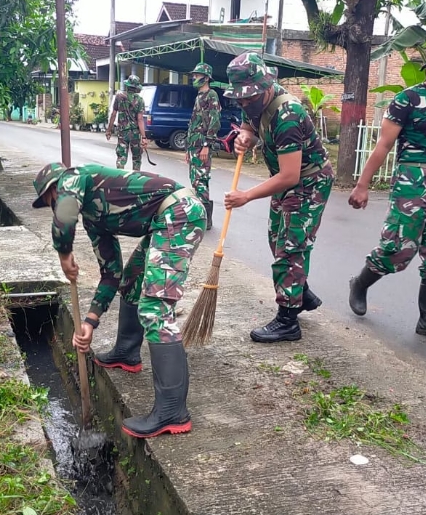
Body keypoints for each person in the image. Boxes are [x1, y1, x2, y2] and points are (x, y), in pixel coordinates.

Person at [31, 162, 206, 438]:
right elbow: (110, 273)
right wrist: (90, 321)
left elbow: (64, 217)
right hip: (162, 223)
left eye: (50, 201)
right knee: (130, 280)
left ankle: (173, 412)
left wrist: (64, 254)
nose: (54, 207)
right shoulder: (93, 220)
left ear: (56, 188)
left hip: (180, 213)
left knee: (155, 309)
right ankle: (126, 352)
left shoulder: (74, 177)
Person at [346, 39, 426, 343]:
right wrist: (362, 185)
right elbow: (384, 145)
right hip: (413, 179)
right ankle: (360, 283)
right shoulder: (408, 100)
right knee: (398, 247)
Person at [222, 52, 335, 344]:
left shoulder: (289, 115)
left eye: (249, 98)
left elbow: (289, 176)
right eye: (240, 99)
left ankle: (288, 320)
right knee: (276, 239)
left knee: (290, 246)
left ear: (266, 86)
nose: (245, 103)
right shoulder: (254, 98)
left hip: (308, 180)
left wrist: (246, 195)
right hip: (288, 179)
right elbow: (250, 122)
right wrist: (245, 135)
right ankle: (301, 292)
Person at [185, 62, 222, 230]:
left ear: (206, 78)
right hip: (193, 145)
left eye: (197, 75)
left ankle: (205, 219)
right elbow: (193, 123)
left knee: (201, 181)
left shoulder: (211, 95)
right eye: (194, 75)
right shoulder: (199, 97)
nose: (194, 78)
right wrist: (187, 149)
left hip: (202, 145)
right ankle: (200, 215)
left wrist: (207, 145)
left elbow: (215, 122)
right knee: (195, 180)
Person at [106, 75, 148, 171]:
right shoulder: (140, 100)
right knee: (137, 158)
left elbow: (113, 114)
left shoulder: (119, 97)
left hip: (123, 132)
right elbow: (140, 119)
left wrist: (109, 130)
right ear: (137, 88)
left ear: (127, 86)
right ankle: (135, 179)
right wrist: (144, 137)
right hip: (135, 134)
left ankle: (120, 180)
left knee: (121, 157)